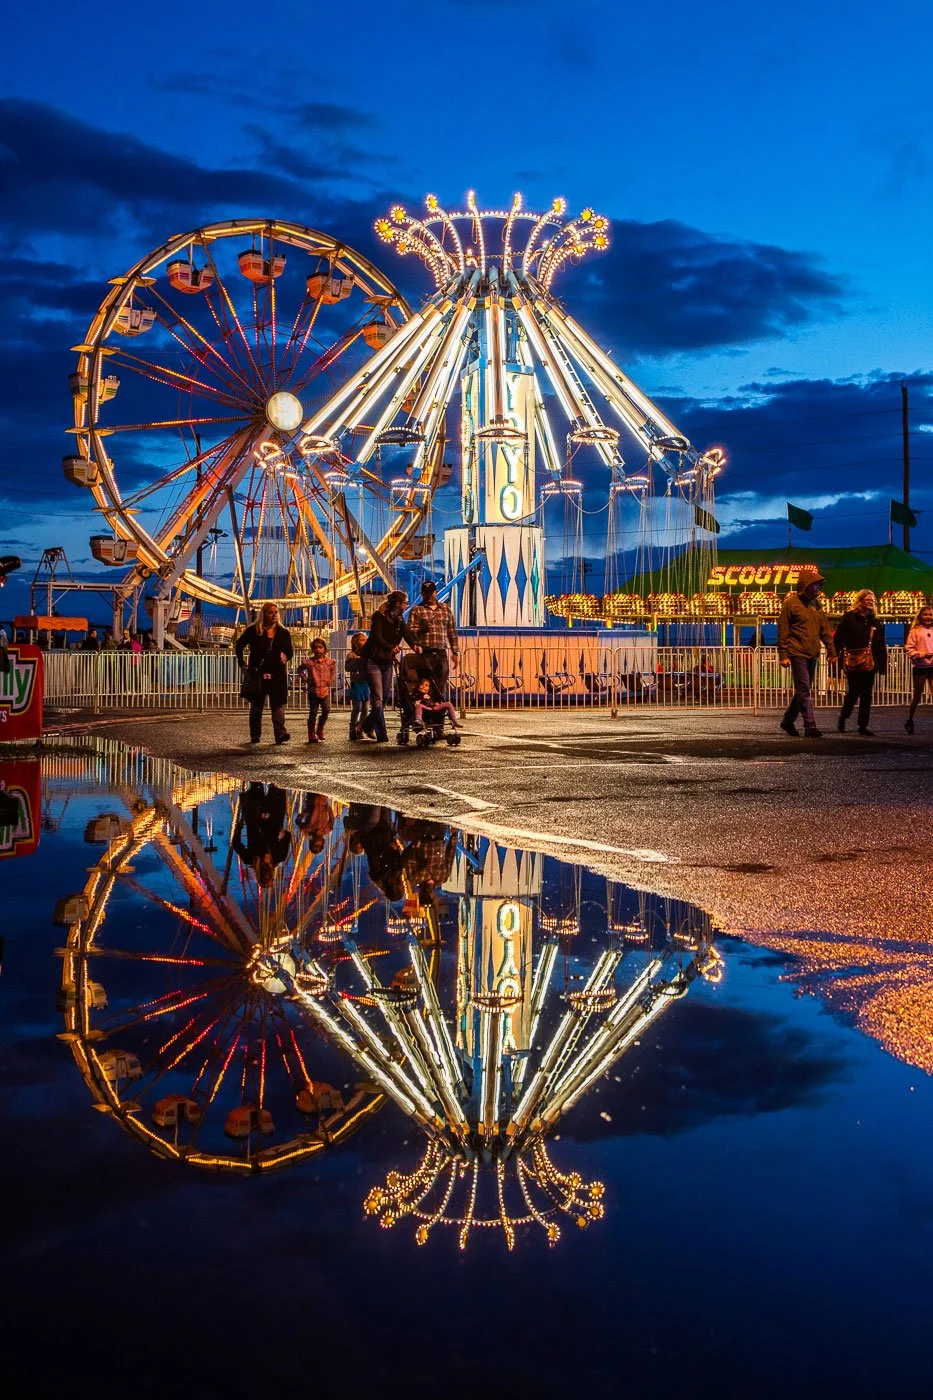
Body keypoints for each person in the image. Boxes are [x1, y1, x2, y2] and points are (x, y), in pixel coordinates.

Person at [777, 567, 837, 738]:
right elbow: (783, 631)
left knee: (803, 689)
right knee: (804, 688)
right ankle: (810, 725)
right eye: (816, 585)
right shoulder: (790, 604)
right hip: (797, 652)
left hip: (812, 653)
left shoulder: (816, 605)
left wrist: (832, 651)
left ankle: (788, 721)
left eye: (819, 585)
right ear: (806, 585)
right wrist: (783, 655)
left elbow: (825, 630)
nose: (819, 588)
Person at [360, 591, 419, 742]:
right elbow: (376, 637)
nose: (406, 605)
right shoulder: (380, 616)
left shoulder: (399, 619)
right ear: (398, 603)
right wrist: (390, 647)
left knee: (384, 697)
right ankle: (382, 734)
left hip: (386, 661)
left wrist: (415, 646)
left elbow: (406, 633)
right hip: (372, 660)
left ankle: (367, 724)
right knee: (378, 698)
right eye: (405, 602)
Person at [234, 602, 293, 745]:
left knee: (278, 705)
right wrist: (242, 664)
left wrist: (286, 656)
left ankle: (280, 734)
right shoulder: (253, 631)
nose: (274, 615)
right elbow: (239, 645)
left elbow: (290, 650)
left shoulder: (283, 632)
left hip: (277, 673)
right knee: (256, 705)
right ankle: (255, 735)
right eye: (270, 612)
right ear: (264, 614)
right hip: (258, 673)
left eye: (276, 612)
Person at [834, 590, 887, 736]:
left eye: (872, 600)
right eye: (867, 599)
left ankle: (862, 725)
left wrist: (882, 665)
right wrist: (836, 656)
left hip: (870, 662)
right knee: (853, 691)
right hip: (853, 660)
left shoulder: (876, 622)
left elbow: (880, 644)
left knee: (867, 694)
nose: (870, 602)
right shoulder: (849, 618)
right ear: (860, 601)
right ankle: (844, 717)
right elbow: (838, 638)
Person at [233, 783, 291, 887]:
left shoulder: (250, 859)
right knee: (277, 783)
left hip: (255, 817)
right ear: (273, 875)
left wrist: (238, 827)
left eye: (264, 878)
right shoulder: (279, 857)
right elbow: (287, 837)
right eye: (269, 878)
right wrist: (283, 834)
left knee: (256, 783)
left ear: (259, 876)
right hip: (275, 816)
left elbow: (236, 844)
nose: (267, 875)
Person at [409, 580, 459, 698]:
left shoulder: (445, 609)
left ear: (435, 592)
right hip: (424, 653)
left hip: (440, 652)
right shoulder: (417, 610)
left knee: (441, 682)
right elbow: (410, 631)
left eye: (430, 592)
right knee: (425, 683)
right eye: (426, 593)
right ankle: (425, 709)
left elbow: (451, 632)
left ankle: (439, 709)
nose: (429, 595)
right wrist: (422, 630)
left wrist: (455, 652)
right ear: (422, 594)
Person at [297, 637, 337, 744]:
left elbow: (333, 672)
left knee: (326, 710)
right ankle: (311, 733)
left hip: (325, 690)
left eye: (320, 647)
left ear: (324, 649)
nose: (318, 650)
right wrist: (305, 678)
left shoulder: (329, 662)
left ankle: (320, 728)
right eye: (315, 648)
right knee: (313, 712)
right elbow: (300, 669)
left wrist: (331, 680)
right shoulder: (309, 662)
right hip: (313, 690)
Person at [905, 604, 933, 734]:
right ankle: (910, 720)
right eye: (925, 614)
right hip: (921, 667)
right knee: (917, 696)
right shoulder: (915, 631)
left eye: (930, 614)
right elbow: (909, 650)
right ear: (920, 616)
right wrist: (923, 655)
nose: (928, 617)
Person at [346, 632, 371, 741]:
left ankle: (360, 727)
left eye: (365, 640)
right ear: (356, 642)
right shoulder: (352, 655)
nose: (364, 642)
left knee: (365, 708)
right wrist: (359, 661)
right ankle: (352, 729)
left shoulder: (368, 654)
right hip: (357, 683)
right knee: (357, 708)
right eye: (362, 640)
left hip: (366, 682)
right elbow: (348, 667)